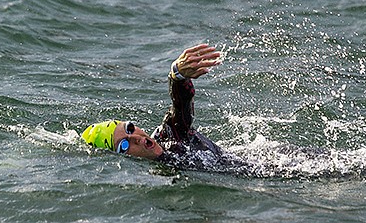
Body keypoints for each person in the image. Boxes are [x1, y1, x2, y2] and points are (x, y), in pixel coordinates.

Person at [81, 43, 246, 169]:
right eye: (124, 145)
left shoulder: (168, 135)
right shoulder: (159, 173)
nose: (136, 138)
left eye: (129, 129)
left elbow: (181, 106)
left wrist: (177, 76)